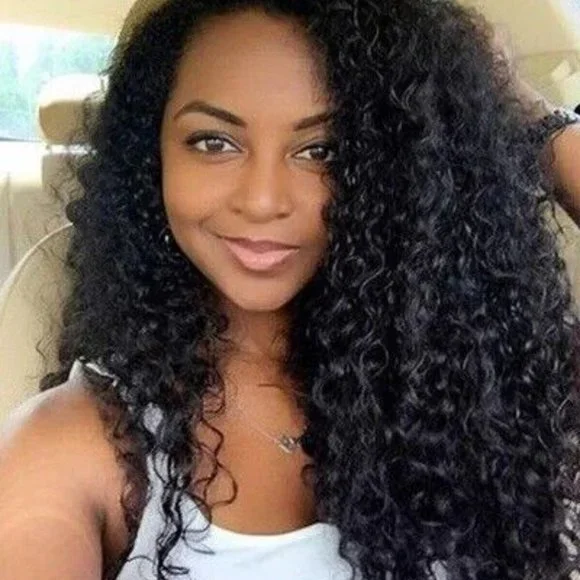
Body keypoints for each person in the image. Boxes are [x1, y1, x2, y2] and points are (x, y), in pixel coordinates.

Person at [1, 0, 580, 579]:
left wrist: (529, 119)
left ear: (403, 171)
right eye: (213, 142)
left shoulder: (487, 389)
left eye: (322, 150)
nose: (262, 200)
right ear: (152, 156)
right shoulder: (71, 448)